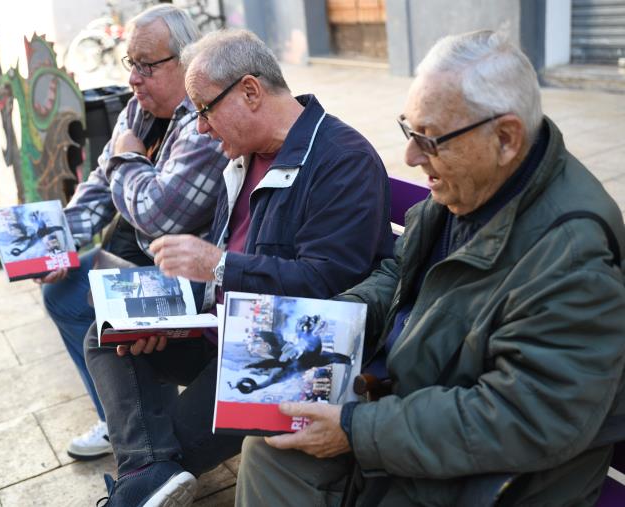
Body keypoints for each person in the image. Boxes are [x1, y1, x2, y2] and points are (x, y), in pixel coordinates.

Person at [234, 29, 625, 507]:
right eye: (409, 130)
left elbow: (525, 417)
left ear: (505, 138)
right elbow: (398, 274)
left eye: (429, 140)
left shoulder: (572, 255)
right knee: (269, 449)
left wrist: (358, 430)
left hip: (503, 477)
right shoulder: (466, 189)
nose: (411, 157)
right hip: (424, 407)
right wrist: (328, 323)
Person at [85, 29, 394, 506]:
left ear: (250, 91)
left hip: (279, 352)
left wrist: (218, 265)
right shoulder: (243, 156)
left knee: (160, 458)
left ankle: (142, 475)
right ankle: (146, 467)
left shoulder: (342, 159)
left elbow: (328, 285)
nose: (202, 129)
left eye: (204, 110)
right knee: (106, 335)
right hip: (220, 328)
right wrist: (171, 315)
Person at [39, 4, 229, 461]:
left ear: (185, 61)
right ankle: (116, 419)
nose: (134, 79)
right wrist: (58, 240)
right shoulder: (139, 109)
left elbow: (159, 214)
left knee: (104, 328)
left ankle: (141, 431)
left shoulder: (202, 121)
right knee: (62, 290)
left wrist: (127, 156)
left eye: (147, 66)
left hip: (181, 270)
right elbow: (102, 183)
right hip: (133, 252)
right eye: (131, 64)